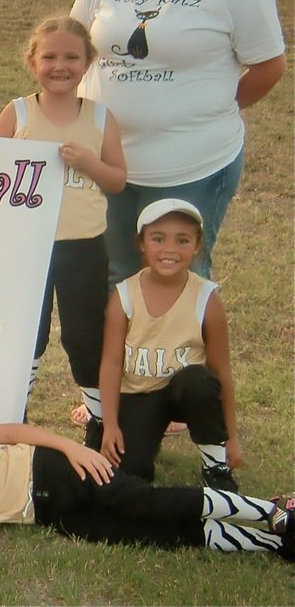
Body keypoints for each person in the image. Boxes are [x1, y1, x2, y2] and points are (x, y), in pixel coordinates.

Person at [71, 0, 286, 288]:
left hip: (192, 166)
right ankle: (127, 359)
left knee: (176, 280)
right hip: (108, 163)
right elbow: (74, 48)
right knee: (119, 277)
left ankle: (181, 359)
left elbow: (270, 67)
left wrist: (212, 105)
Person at [0, 393, 293, 561]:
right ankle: (273, 545)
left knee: (150, 502)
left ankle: (274, 512)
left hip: (56, 471)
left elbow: (15, 429)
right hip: (47, 514)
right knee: (150, 535)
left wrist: (70, 448)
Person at [0, 16, 126, 442]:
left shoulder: (101, 118)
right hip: (27, 246)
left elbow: (118, 180)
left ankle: (99, 418)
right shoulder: (17, 114)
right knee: (26, 333)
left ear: (88, 63)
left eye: (72, 56)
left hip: (84, 247)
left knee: (84, 335)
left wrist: (90, 164)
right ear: (33, 62)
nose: (60, 66)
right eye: (49, 57)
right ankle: (15, 413)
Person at [96, 199, 240, 491]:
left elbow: (221, 370)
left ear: (198, 245)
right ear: (142, 243)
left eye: (183, 240)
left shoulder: (207, 299)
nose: (170, 250)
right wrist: (109, 424)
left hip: (184, 392)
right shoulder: (124, 296)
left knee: (198, 381)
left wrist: (232, 438)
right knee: (129, 473)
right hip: (139, 395)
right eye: (158, 239)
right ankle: (144, 441)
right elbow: (111, 363)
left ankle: (215, 467)